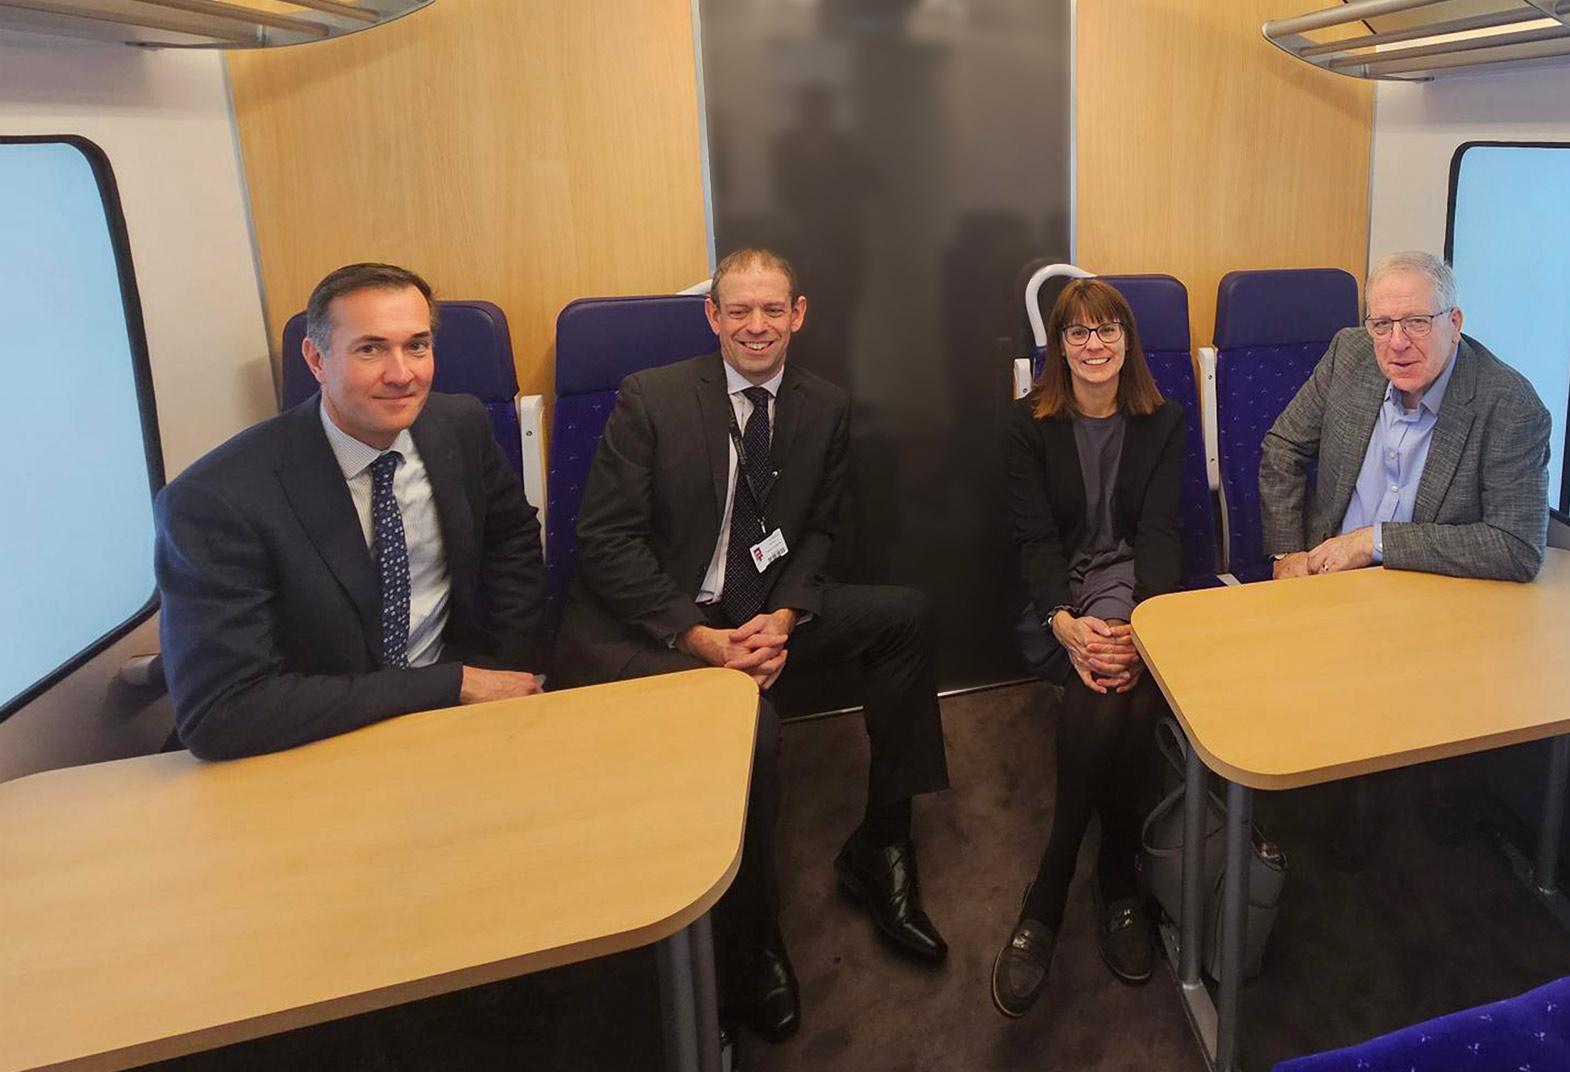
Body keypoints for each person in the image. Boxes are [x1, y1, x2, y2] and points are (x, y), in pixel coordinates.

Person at [550, 247, 951, 1045]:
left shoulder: (824, 405)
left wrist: (790, 615)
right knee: (753, 729)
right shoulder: (653, 399)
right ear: (713, 317)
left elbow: (821, 530)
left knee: (906, 616)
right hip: (660, 624)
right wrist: (701, 637)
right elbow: (605, 543)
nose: (757, 326)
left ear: (798, 314)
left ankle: (881, 846)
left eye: (773, 310)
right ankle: (752, 937)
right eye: (739, 311)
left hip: (760, 611)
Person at [155, 262, 546, 761]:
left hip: (459, 718)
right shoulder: (216, 500)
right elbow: (222, 712)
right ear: (316, 359)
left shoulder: (460, 425)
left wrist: (505, 666)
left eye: (417, 345)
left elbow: (511, 540)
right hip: (312, 738)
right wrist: (448, 686)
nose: (402, 374)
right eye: (371, 349)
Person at [992, 278, 1184, 1017]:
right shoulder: (1024, 425)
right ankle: (1115, 879)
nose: (1095, 344)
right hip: (1064, 591)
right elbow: (1036, 540)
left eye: (1108, 331)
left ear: (1127, 343)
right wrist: (1063, 620)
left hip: (1138, 582)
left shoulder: (1162, 420)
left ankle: (1052, 885)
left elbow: (1162, 533)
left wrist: (1148, 625)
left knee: (1117, 690)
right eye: (1078, 333)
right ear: (1058, 348)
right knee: (1120, 694)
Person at [1261, 249, 1550, 583]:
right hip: (1325, 580)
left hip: (1428, 594)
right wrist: (1286, 553)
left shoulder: (1511, 406)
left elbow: (1517, 546)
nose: (1397, 343)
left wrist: (1374, 541)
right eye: (1382, 325)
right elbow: (1284, 447)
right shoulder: (1348, 355)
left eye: (1417, 322)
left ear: (1454, 323)